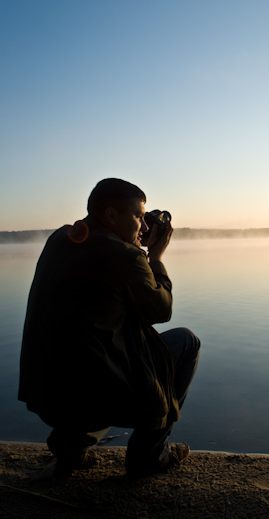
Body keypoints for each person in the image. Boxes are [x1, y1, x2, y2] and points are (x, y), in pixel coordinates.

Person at [18, 178, 200, 476]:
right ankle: (150, 455)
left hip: (47, 393)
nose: (143, 227)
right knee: (186, 343)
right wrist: (154, 257)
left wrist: (132, 244)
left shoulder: (59, 239)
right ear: (112, 215)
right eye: (138, 217)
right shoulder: (126, 257)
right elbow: (161, 310)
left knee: (103, 355)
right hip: (91, 396)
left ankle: (73, 445)